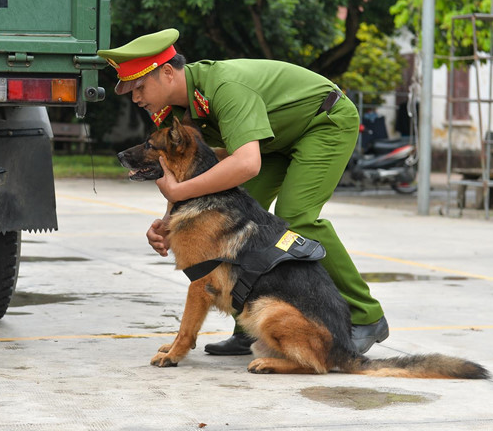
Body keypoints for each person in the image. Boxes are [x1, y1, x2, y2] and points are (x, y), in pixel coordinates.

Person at [98, 28, 389, 355]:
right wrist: (169, 222)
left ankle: (368, 316)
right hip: (274, 140)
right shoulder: (178, 109)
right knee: (238, 216)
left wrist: (178, 193)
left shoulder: (225, 88)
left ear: (167, 72)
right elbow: (190, 169)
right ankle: (249, 329)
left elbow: (247, 164)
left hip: (322, 122)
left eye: (139, 87)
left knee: (295, 217)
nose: (135, 98)